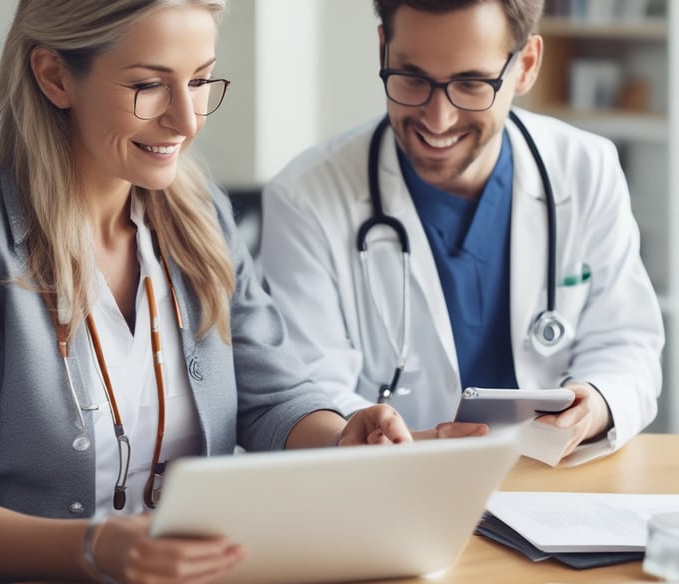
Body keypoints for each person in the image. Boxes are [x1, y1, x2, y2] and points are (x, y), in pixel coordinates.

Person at [0, 1, 487, 583]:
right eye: (148, 86)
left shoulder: (201, 217)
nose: (187, 121)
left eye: (200, 80)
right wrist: (94, 550)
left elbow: (271, 399)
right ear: (55, 76)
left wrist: (342, 438)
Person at [259, 0, 664, 466]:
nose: (438, 119)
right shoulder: (305, 195)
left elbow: (626, 343)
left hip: (546, 481)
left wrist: (596, 402)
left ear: (526, 65)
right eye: (412, 78)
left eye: (471, 84)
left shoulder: (585, 168)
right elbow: (310, 383)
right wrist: (376, 436)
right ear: (383, 52)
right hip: (393, 484)